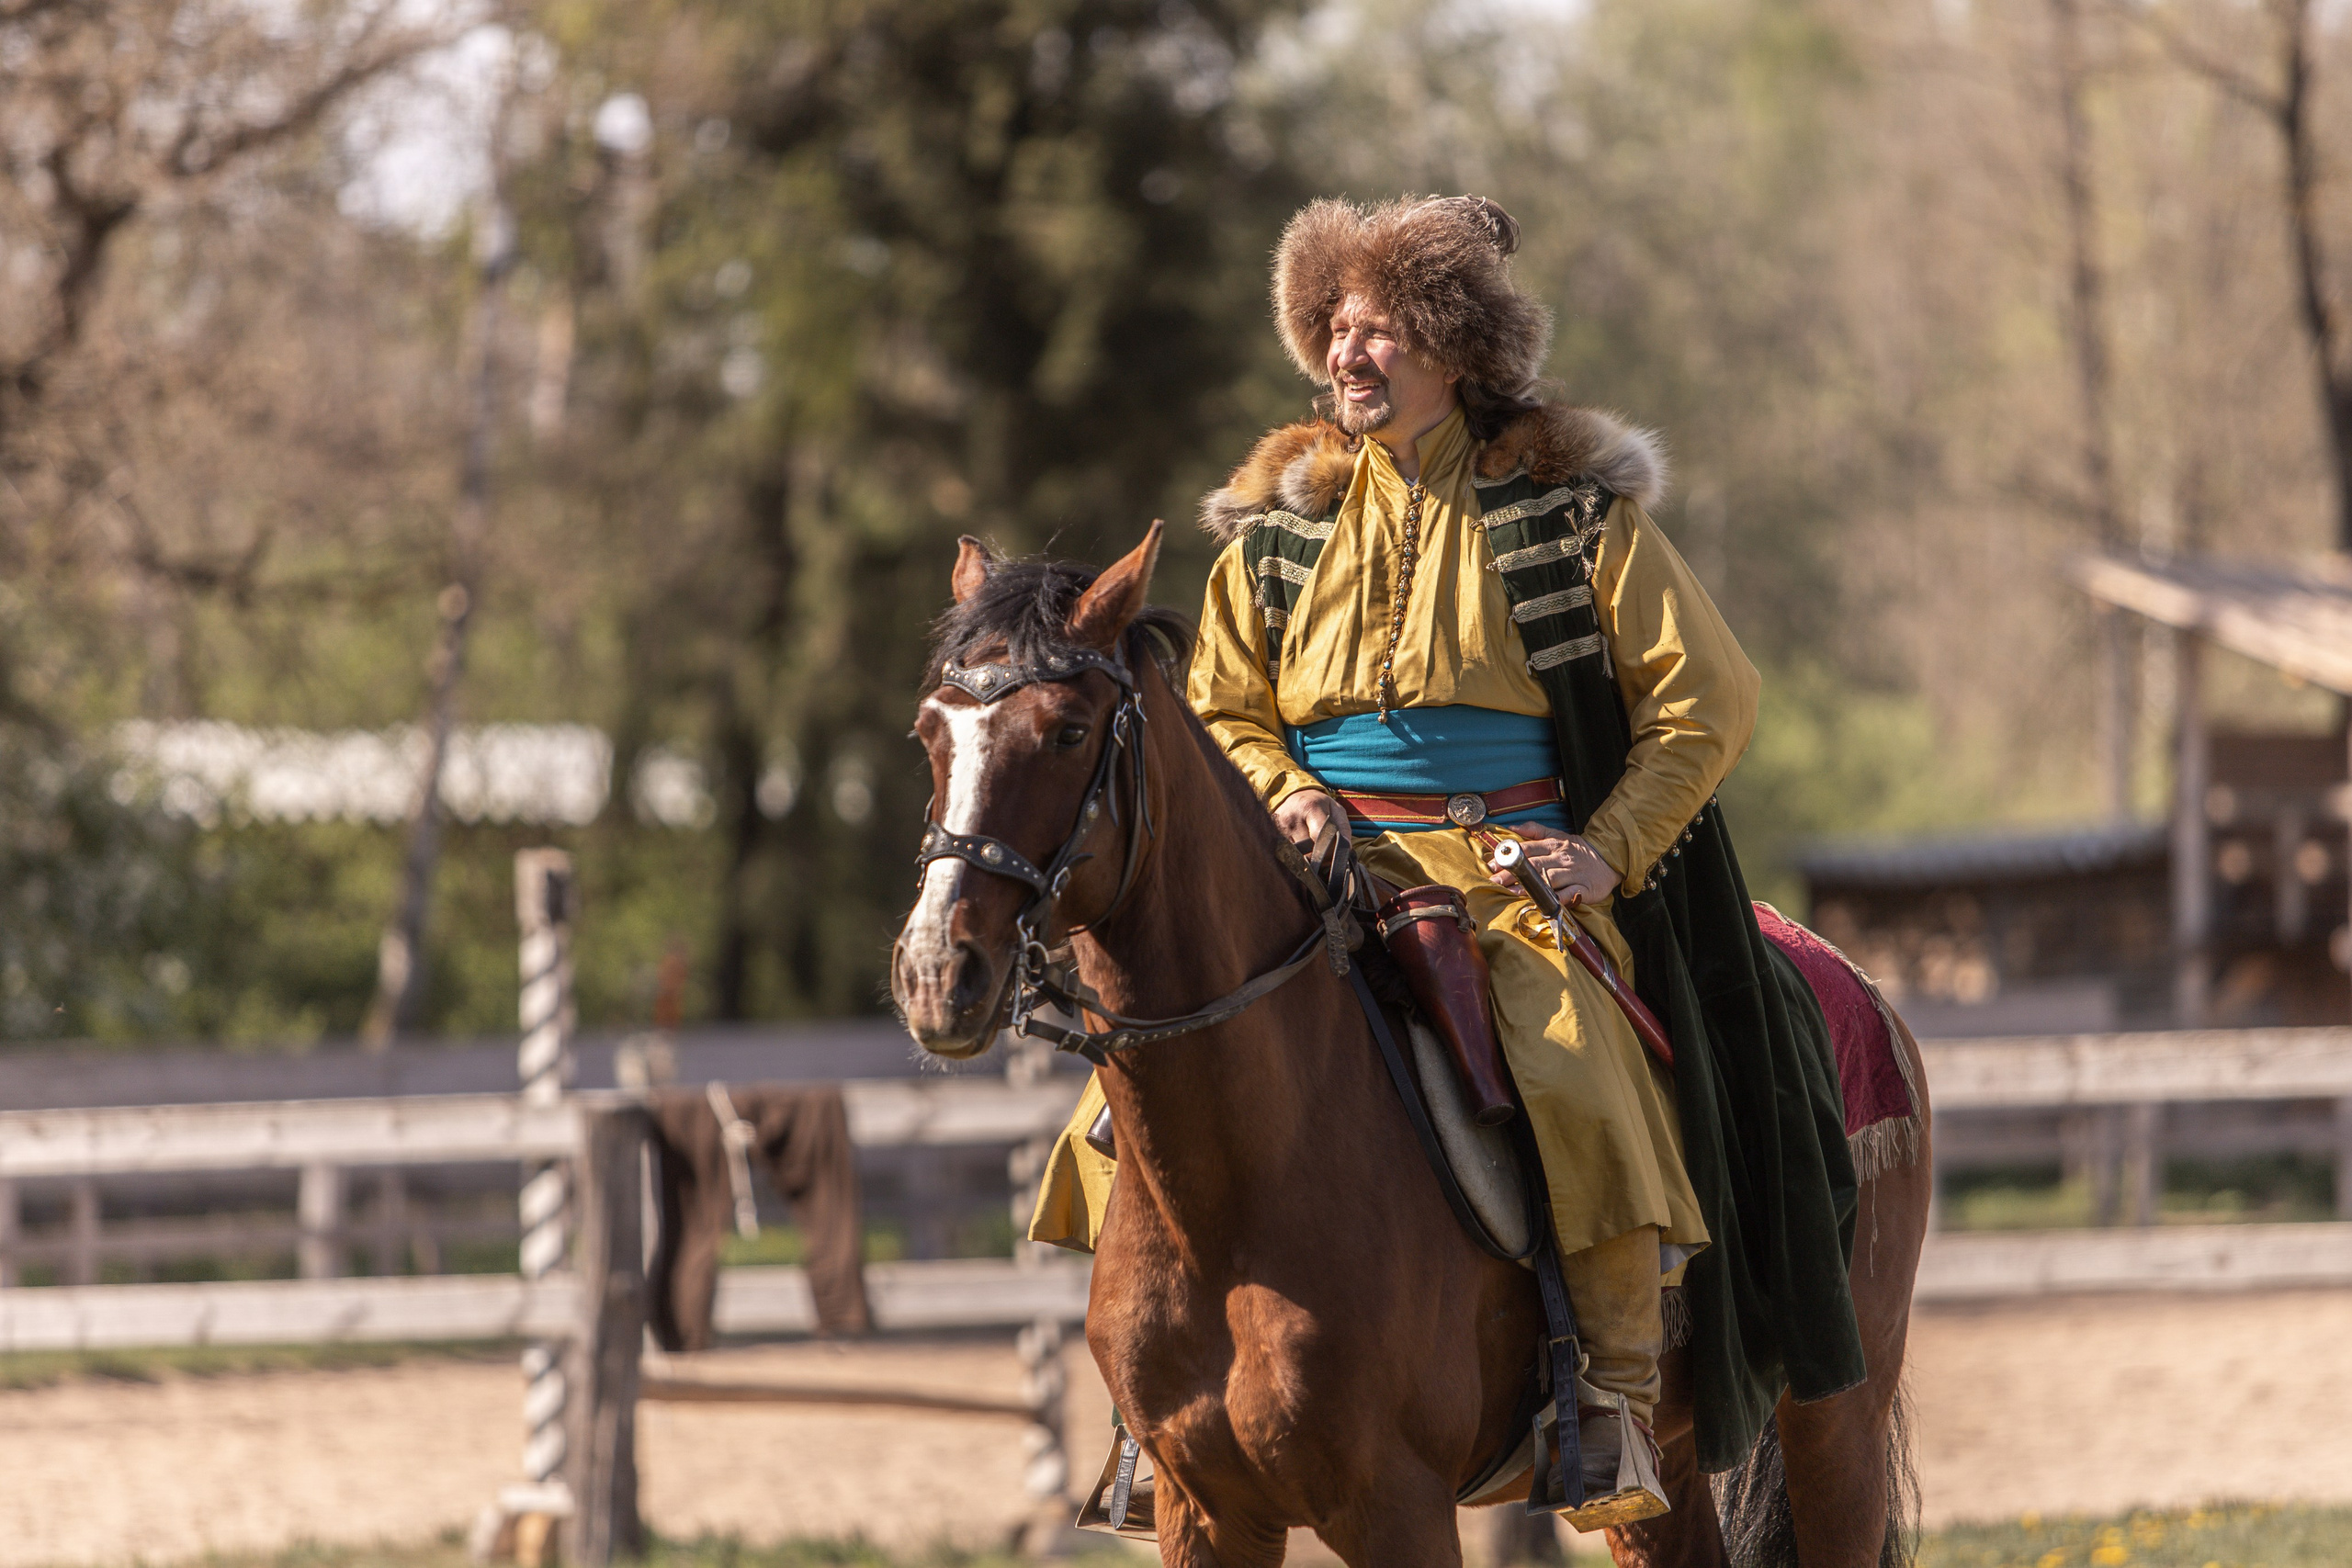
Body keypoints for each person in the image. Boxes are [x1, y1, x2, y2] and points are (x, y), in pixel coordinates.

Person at [1030, 195, 1865, 1525]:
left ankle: (1606, 1394)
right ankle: (1161, 1410)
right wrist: (1288, 791)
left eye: (1386, 331)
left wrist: (1604, 855)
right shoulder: (1276, 539)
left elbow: (1710, 699)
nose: (1351, 356)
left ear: (1460, 349)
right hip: (1311, 873)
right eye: (1338, 329)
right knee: (1134, 1094)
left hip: (1506, 880)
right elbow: (1227, 710)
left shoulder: (1567, 520)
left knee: (1569, 1059)